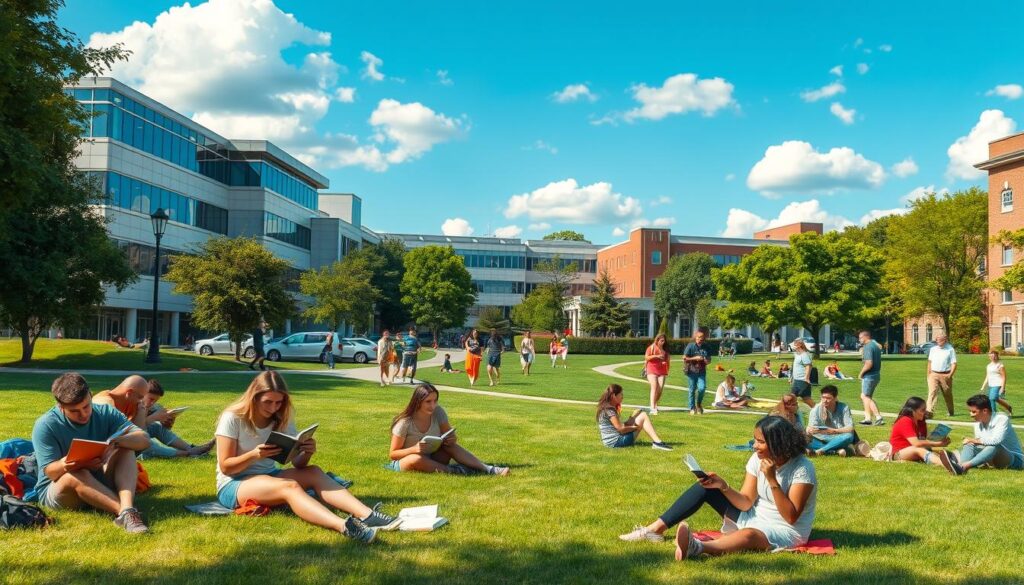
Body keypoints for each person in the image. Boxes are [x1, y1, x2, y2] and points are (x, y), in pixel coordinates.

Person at [215, 371, 398, 542]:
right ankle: (345, 527)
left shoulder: (281, 417)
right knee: (290, 487)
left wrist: (306, 451)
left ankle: (368, 515)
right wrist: (254, 455)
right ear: (254, 398)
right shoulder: (233, 417)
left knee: (314, 472)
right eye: (268, 402)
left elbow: (298, 464)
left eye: (278, 402)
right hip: (234, 484)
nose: (273, 408)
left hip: (269, 476)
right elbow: (226, 466)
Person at [619, 416, 816, 561]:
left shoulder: (802, 468)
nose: (754, 446)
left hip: (786, 530)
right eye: (755, 440)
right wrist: (723, 486)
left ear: (778, 443)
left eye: (761, 441)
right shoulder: (758, 459)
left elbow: (791, 516)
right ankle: (654, 530)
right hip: (754, 517)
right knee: (706, 487)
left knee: (749, 534)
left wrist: (772, 479)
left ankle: (697, 547)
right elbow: (747, 502)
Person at [31, 373, 153, 533]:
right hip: (61, 491)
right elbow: (50, 473)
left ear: (91, 395)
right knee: (76, 473)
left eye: (86, 406)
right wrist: (69, 463)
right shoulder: (45, 425)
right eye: (74, 411)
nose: (83, 414)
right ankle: (125, 512)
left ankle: (127, 508)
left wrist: (116, 441)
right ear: (61, 407)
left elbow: (144, 439)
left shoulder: (105, 412)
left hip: (99, 478)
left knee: (126, 448)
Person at [388, 383, 510, 475]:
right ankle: (456, 471)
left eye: (435, 401)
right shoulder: (404, 422)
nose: (433, 405)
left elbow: (449, 435)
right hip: (407, 460)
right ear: (418, 402)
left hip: (433, 456)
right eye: (428, 402)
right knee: (416, 459)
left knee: (449, 446)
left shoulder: (438, 412)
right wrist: (414, 449)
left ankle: (489, 469)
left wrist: (451, 439)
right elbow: (393, 454)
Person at [140, 378, 214, 459]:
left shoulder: (153, 407)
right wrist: (153, 417)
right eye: (151, 399)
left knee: (157, 428)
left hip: (142, 437)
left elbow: (165, 430)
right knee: (149, 446)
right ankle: (188, 453)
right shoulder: (132, 404)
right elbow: (134, 429)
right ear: (143, 393)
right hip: (133, 443)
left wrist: (168, 423)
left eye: (155, 400)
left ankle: (190, 448)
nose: (152, 403)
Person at [953, 394, 1023, 473]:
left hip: (1014, 459)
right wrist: (971, 442)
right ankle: (960, 467)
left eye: (973, 412)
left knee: (994, 446)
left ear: (985, 411)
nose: (971, 415)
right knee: (969, 444)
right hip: (992, 457)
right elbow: (981, 444)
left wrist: (975, 440)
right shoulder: (977, 423)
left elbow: (996, 441)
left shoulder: (1002, 419)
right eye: (970, 411)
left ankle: (964, 466)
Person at [889, 396, 957, 473]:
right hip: (899, 454)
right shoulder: (905, 420)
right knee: (919, 449)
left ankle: (954, 461)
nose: (925, 412)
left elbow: (923, 441)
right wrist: (936, 443)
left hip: (914, 450)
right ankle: (948, 466)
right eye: (922, 410)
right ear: (913, 411)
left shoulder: (920, 422)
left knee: (939, 451)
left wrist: (939, 439)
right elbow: (916, 443)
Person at [596, 384, 672, 450]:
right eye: (621, 394)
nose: (622, 397)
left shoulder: (606, 407)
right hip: (616, 442)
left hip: (610, 442)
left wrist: (634, 416)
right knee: (643, 416)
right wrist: (635, 427)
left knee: (642, 415)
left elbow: (621, 426)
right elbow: (621, 429)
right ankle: (658, 443)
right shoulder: (609, 410)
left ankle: (657, 442)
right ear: (614, 396)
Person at [805, 385, 854, 456]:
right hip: (821, 437)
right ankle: (836, 450)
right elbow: (811, 429)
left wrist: (834, 431)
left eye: (828, 398)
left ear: (835, 398)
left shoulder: (844, 408)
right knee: (804, 440)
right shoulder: (815, 410)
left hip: (839, 436)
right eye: (823, 397)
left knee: (848, 436)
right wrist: (810, 430)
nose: (825, 400)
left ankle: (820, 450)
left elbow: (850, 428)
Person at [926, 333, 957, 419]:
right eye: (937, 339)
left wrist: (950, 375)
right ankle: (929, 412)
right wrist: (928, 374)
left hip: (945, 374)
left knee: (947, 394)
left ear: (945, 340)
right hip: (934, 374)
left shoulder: (950, 349)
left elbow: (954, 363)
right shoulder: (933, 349)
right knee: (932, 393)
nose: (938, 341)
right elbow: (929, 362)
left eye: (940, 339)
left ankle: (951, 411)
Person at [857, 330, 884, 426]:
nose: (859, 340)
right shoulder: (875, 345)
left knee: (865, 396)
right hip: (876, 375)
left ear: (865, 337)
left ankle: (878, 417)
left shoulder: (868, 347)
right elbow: (880, 346)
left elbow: (869, 363)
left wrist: (861, 373)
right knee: (866, 397)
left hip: (869, 375)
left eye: (860, 338)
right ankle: (867, 418)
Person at [683, 329, 711, 415]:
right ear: (696, 337)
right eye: (699, 337)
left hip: (701, 371)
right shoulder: (691, 346)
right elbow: (684, 358)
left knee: (702, 388)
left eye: (702, 337)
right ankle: (692, 408)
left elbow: (709, 360)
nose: (700, 339)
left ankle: (698, 404)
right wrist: (695, 358)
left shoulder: (706, 347)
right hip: (691, 371)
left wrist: (706, 361)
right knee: (692, 390)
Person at [980, 350, 1013, 415]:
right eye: (991, 356)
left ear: (997, 356)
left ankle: (993, 414)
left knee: (992, 398)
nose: (993, 357)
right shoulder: (988, 366)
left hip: (998, 384)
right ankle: (1008, 407)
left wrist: (1003, 388)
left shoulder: (1000, 365)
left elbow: (1004, 377)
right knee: (995, 399)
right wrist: (983, 386)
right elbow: (987, 376)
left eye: (994, 356)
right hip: (991, 385)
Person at [645, 333, 670, 415]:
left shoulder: (665, 351)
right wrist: (656, 356)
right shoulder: (651, 348)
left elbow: (668, 361)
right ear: (657, 340)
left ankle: (655, 404)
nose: (662, 342)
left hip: (662, 371)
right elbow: (646, 357)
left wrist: (667, 369)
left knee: (660, 389)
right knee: (654, 386)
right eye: (661, 340)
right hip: (651, 369)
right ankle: (652, 407)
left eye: (664, 341)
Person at [789, 339, 814, 408]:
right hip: (796, 381)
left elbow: (809, 366)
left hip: (802, 381)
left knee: (806, 399)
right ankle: (792, 412)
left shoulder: (804, 355)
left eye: (794, 345)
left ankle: (818, 411)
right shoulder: (797, 355)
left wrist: (806, 378)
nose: (793, 346)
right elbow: (794, 368)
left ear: (799, 345)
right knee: (791, 397)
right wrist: (791, 378)